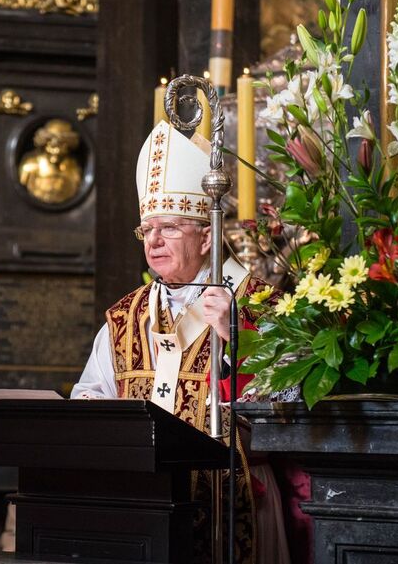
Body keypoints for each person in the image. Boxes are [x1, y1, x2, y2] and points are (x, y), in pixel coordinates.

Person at [71, 120, 290, 564]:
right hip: (146, 501)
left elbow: (292, 405)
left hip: (236, 497)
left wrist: (239, 336)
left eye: (168, 228)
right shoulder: (124, 317)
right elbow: (90, 396)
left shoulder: (261, 304)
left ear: (207, 236)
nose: (153, 241)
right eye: (146, 229)